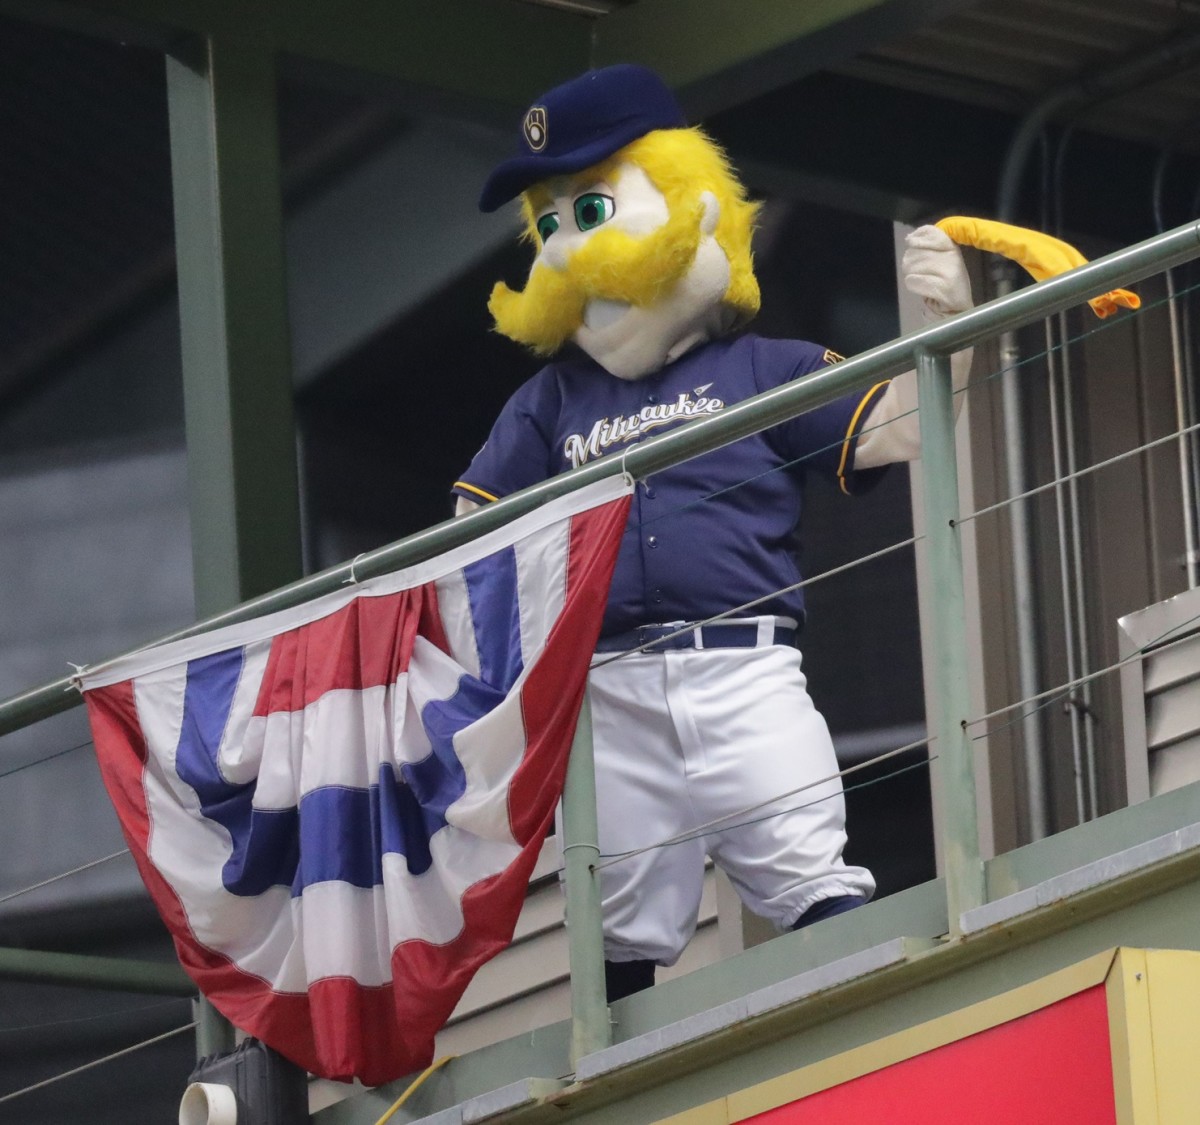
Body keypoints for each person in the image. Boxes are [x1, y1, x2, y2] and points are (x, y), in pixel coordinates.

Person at [452, 64, 973, 1002]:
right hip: (608, 691)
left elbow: (900, 427)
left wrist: (954, 330)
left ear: (689, 199)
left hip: (744, 668)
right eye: (551, 225)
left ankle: (874, 1035)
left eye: (593, 208)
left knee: (811, 873)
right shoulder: (551, 401)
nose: (569, 252)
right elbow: (470, 535)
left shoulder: (763, 367)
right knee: (617, 927)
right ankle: (618, 1071)